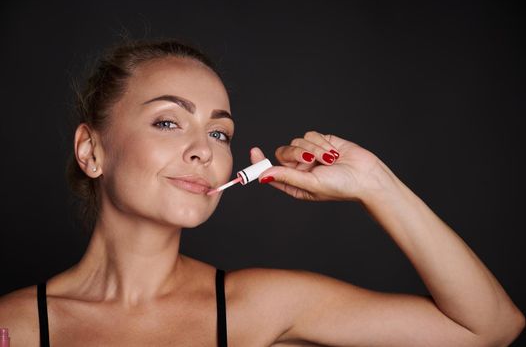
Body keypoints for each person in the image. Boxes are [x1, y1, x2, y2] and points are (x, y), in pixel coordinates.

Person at [0, 38, 523, 347]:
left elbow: (490, 328)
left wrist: (374, 183)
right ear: (91, 151)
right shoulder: (13, 327)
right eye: (168, 122)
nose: (203, 149)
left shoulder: (261, 306)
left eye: (220, 132)